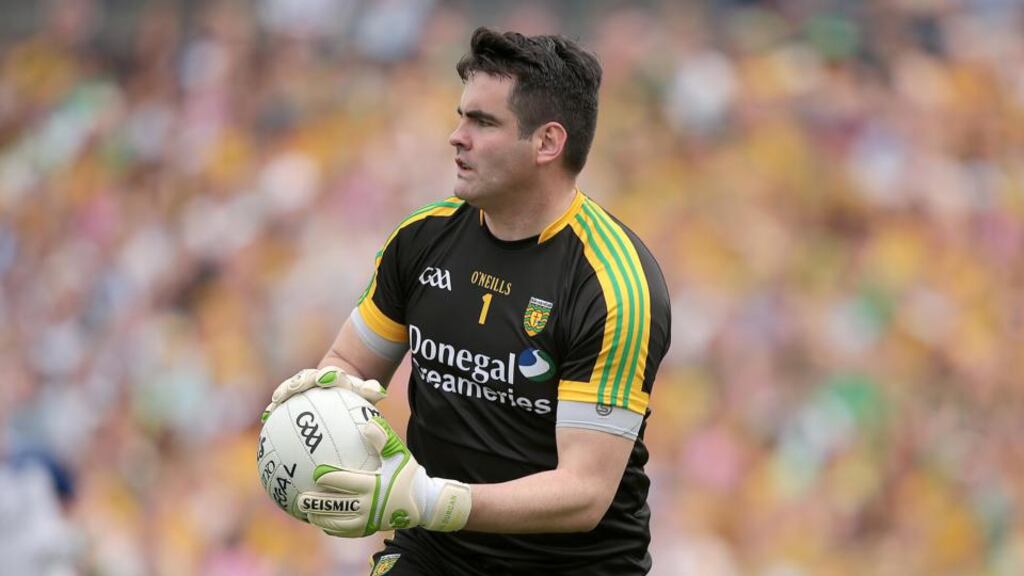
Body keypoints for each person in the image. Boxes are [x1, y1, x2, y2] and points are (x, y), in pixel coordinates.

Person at [263, 27, 671, 575]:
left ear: (548, 143)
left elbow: (585, 491)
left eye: (482, 122)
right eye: (461, 117)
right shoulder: (421, 239)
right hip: (433, 553)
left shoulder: (613, 284)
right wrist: (318, 398)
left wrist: (436, 500)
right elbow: (350, 366)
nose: (457, 136)